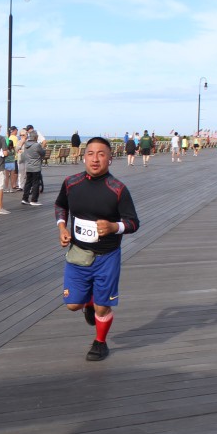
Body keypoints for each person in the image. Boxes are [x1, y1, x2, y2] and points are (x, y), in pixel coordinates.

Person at [55, 137, 140, 361]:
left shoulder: (118, 189)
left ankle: (100, 342)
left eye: (101, 154)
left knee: (103, 308)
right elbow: (60, 205)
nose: (95, 159)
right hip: (78, 254)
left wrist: (113, 227)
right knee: (73, 304)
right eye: (91, 153)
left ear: (110, 159)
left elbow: (133, 223)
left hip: (107, 257)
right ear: (84, 157)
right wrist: (62, 227)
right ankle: (89, 303)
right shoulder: (71, 183)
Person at [20, 130, 46, 205]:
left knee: (28, 183)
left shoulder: (26, 144)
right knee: (35, 183)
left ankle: (25, 199)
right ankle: (34, 200)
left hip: (28, 166)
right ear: (36, 137)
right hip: (36, 167)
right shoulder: (37, 145)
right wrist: (43, 149)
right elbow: (42, 153)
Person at [6, 126, 19, 192]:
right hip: (14, 160)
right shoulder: (15, 138)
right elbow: (16, 147)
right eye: (17, 130)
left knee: (6, 176)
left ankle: (6, 187)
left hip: (6, 162)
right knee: (14, 173)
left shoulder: (9, 137)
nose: (17, 131)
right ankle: (13, 185)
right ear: (14, 130)